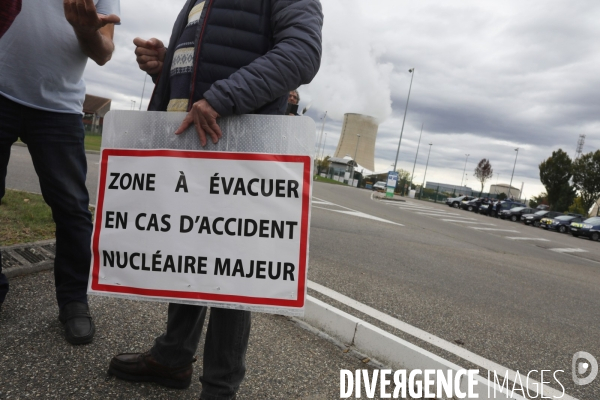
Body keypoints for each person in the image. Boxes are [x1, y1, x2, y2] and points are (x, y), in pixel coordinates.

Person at [107, 1, 322, 399]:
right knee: (191, 250)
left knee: (233, 269)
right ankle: (173, 358)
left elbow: (302, 52)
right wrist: (166, 64)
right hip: (192, 146)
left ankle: (220, 388)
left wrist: (224, 97)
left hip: (238, 147)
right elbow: (212, 58)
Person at [0, 0, 120, 344]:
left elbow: (105, 52)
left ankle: (73, 300)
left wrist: (85, 29)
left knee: (72, 208)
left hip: (59, 106)